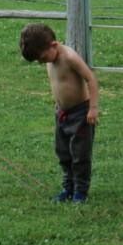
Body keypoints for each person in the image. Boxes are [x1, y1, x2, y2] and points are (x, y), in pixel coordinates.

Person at [19, 23, 99, 203]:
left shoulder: (69, 57)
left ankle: (80, 191)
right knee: (63, 152)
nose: (42, 62)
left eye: (42, 58)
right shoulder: (50, 57)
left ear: (53, 45)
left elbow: (91, 78)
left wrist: (93, 108)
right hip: (62, 113)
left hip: (81, 114)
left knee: (80, 155)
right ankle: (67, 188)